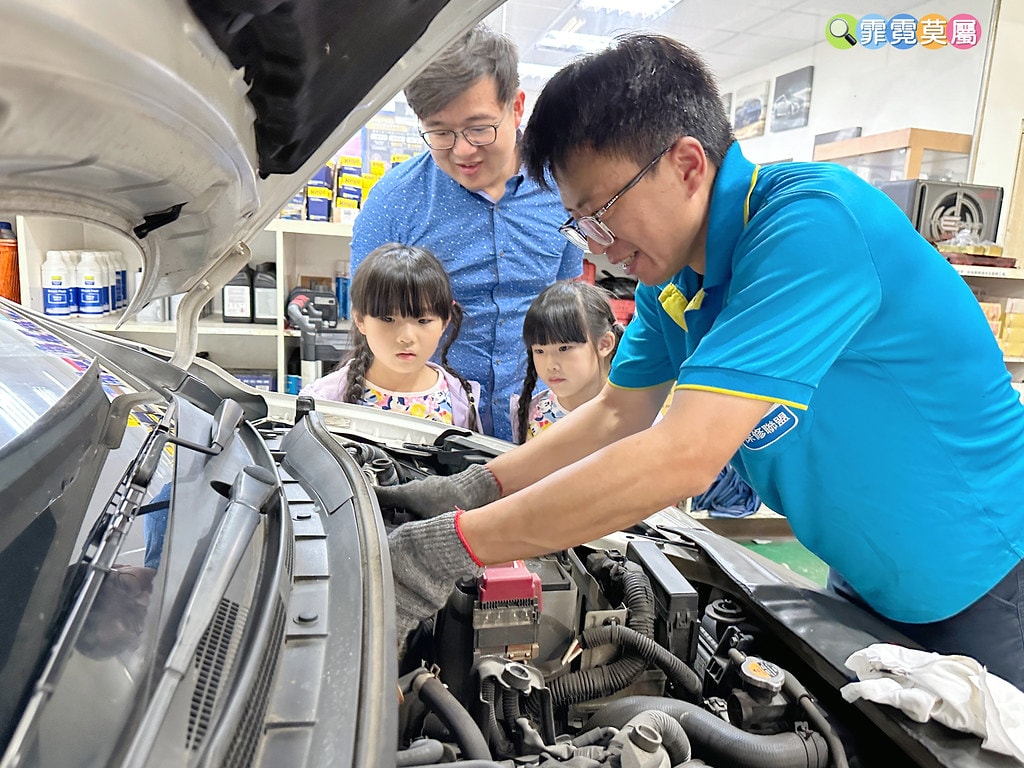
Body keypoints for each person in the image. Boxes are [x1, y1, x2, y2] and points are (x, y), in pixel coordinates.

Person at [378, 33, 1024, 690]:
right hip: (866, 570)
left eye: (601, 213)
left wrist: (445, 551)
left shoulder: (811, 225)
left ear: (687, 163)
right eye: (580, 226)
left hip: (983, 580)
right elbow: (614, 415)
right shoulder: (673, 281)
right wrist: (473, 489)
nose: (598, 252)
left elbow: (683, 454)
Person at [349, 24, 583, 441]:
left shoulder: (565, 189)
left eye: (479, 128)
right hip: (431, 427)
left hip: (540, 421)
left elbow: (563, 305)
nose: (462, 150)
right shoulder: (392, 203)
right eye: (440, 132)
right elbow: (366, 329)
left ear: (516, 108)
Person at [301, 243, 480, 430]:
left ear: (444, 322)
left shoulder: (461, 398)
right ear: (359, 319)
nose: (407, 337)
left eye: (423, 320)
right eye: (388, 319)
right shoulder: (322, 401)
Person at [511, 280, 622, 443]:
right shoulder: (530, 412)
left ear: (604, 344)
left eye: (564, 348)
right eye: (539, 351)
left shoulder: (633, 414)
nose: (550, 366)